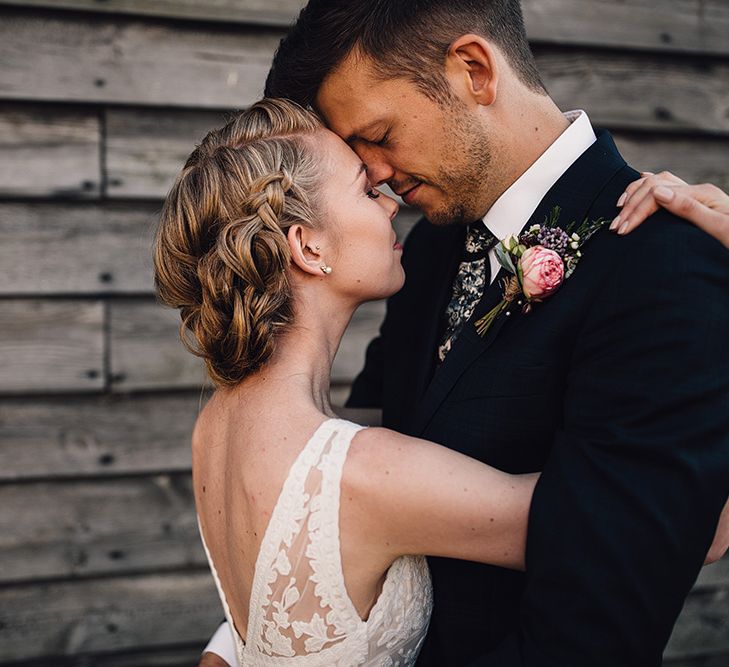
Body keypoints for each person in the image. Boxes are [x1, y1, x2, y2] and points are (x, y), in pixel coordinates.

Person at [201, 1, 729, 666]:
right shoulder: (424, 252)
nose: (376, 175)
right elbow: (320, 481)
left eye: (378, 133)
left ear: (474, 71)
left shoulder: (661, 264)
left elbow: (595, 628)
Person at [155, 98, 545, 667]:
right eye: (366, 191)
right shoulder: (363, 472)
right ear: (307, 247)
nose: (390, 205)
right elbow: (643, 525)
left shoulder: (214, 426)